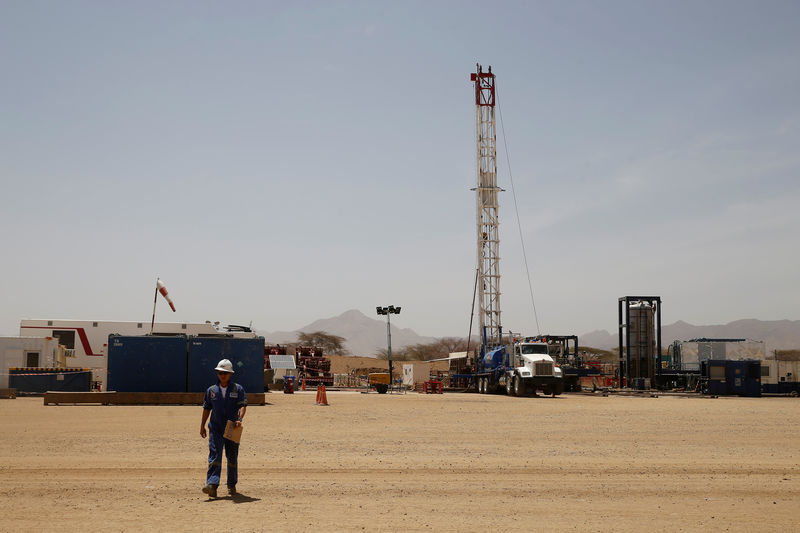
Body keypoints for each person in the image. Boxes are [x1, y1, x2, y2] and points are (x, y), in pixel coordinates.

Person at [200, 359, 247, 498]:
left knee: (232, 456)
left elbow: (243, 406)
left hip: (232, 427)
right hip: (215, 428)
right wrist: (202, 425)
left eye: (225, 373)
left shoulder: (237, 389)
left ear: (230, 374)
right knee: (215, 455)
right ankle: (212, 485)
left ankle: (231, 485)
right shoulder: (211, 391)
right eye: (220, 373)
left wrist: (239, 419)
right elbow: (206, 408)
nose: (222, 375)